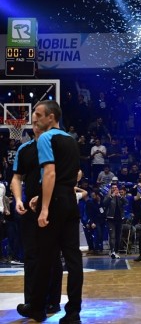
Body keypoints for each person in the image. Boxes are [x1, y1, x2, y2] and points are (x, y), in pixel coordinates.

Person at [16, 100, 83, 324]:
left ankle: (37, 308)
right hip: (70, 201)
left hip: (54, 201)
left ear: (51, 118)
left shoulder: (45, 138)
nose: (34, 118)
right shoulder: (71, 140)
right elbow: (72, 176)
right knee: (73, 259)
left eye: (38, 114)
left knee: (44, 257)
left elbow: (50, 174)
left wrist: (44, 207)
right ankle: (73, 312)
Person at [12, 121, 62, 316]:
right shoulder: (24, 149)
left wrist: (44, 198)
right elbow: (17, 177)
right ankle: (33, 303)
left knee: (52, 256)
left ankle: (53, 301)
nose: (37, 123)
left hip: (54, 208)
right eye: (35, 118)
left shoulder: (58, 146)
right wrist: (17, 199)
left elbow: (74, 173)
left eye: (41, 117)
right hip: (30, 211)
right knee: (31, 256)